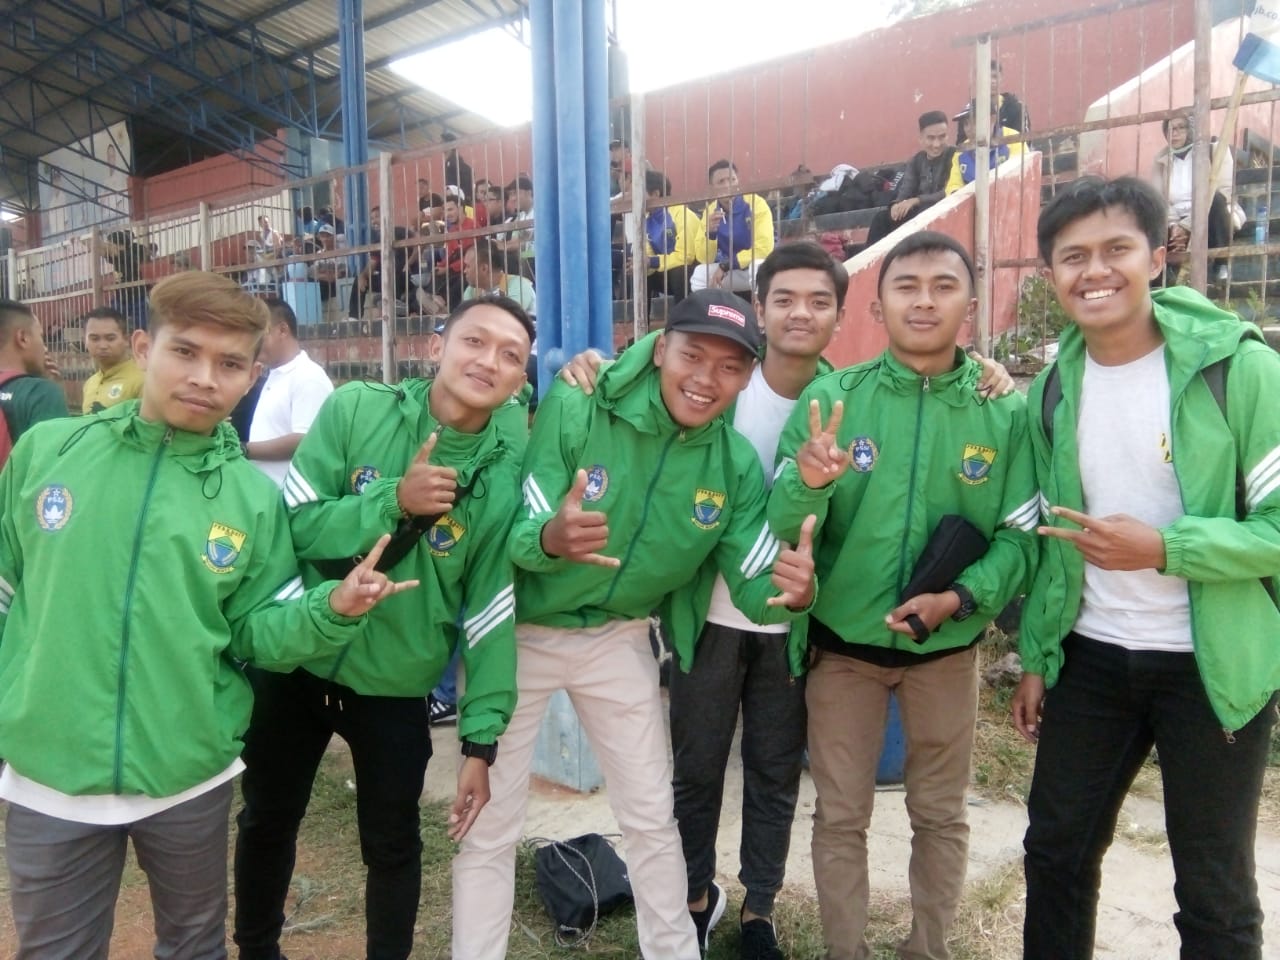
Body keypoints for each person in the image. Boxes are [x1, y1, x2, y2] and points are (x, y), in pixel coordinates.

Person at [0, 270, 412, 960]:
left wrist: (332, 608)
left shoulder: (251, 500)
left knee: (194, 947)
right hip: (50, 774)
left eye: (228, 364)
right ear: (144, 348)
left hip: (188, 776)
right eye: (185, 352)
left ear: (251, 376)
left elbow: (258, 628)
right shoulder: (48, 453)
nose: (204, 378)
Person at [451, 289, 819, 960]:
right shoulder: (580, 401)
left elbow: (755, 581)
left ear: (747, 376)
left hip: (618, 635)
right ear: (659, 350)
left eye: (729, 367)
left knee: (652, 816)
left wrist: (794, 593)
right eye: (692, 356)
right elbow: (521, 532)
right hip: (523, 632)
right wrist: (553, 539)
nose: (706, 379)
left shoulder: (733, 465)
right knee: (492, 823)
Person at [1011, 175, 1280, 960]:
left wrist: (1165, 548)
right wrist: (1038, 656)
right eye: (1073, 257)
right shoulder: (1053, 388)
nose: (1095, 271)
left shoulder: (1241, 371)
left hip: (1210, 665)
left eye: (1116, 249)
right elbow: (1050, 539)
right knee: (1055, 855)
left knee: (1213, 892)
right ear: (1049, 274)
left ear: (1158, 257)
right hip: (1092, 657)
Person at [233, 295, 535, 960]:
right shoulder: (355, 409)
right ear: (435, 347)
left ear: (519, 381)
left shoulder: (498, 483)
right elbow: (294, 525)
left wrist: (480, 742)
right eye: (474, 341)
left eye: (510, 355)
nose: (488, 361)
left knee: (394, 844)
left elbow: (489, 613)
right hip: (297, 659)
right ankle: (256, 949)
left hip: (395, 686)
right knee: (267, 818)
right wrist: (391, 499)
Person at [769, 231, 1037, 960]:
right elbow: (783, 524)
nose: (924, 301)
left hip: (945, 653)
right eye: (906, 286)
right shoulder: (833, 399)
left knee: (940, 816)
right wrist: (808, 483)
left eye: (943, 286)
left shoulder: (1003, 412)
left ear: (970, 306)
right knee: (840, 817)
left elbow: (1020, 536)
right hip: (842, 653)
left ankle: (928, 948)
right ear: (877, 306)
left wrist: (962, 598)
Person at [245, 298, 333, 489]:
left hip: (288, 496)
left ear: (282, 330)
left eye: (259, 335)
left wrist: (244, 450)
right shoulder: (276, 374)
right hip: (265, 492)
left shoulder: (308, 376)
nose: (253, 344)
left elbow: (304, 440)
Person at [1152, 113, 1243, 284]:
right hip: (1174, 218)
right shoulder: (1161, 159)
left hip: (1209, 213)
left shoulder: (1215, 151)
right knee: (1148, 213)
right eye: (1170, 129)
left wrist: (1187, 226)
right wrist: (1174, 225)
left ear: (1192, 129)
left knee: (1216, 200)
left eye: (1180, 128)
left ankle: (1221, 264)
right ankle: (1161, 275)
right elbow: (1158, 198)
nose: (1174, 134)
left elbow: (1224, 191)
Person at [867, 111, 956, 245]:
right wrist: (896, 205)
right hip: (918, 213)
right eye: (931, 138)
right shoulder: (916, 161)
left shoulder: (954, 156)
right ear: (921, 139)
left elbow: (949, 192)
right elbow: (906, 190)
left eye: (942, 137)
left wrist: (917, 200)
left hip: (944, 212)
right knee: (881, 219)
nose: (936, 144)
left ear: (948, 136)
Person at [691, 160, 775, 294]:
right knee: (700, 274)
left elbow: (764, 248)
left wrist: (726, 265)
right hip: (733, 271)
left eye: (732, 180)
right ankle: (710, 307)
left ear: (738, 181)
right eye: (721, 182)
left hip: (757, 267)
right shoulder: (710, 211)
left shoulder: (756, 203)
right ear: (712, 188)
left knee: (757, 267)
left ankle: (761, 307)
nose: (727, 185)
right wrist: (710, 234)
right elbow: (704, 259)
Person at [0, 299, 68, 442]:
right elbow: (55, 451)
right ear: (23, 338)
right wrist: (51, 389)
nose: (45, 348)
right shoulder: (40, 393)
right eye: (41, 336)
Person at [80, 306, 143, 414]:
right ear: (85, 341)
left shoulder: (141, 380)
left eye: (110, 338)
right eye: (94, 339)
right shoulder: (90, 384)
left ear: (126, 340)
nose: (102, 346)